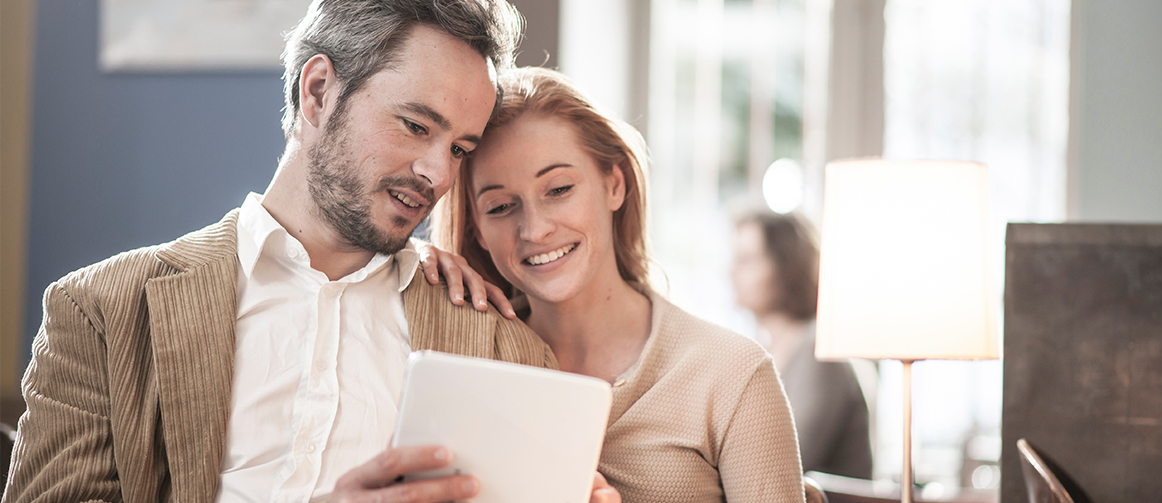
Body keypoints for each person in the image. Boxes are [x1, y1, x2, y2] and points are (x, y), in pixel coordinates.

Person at [5, 2, 618, 502]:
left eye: (460, 149)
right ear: (319, 91)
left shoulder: (501, 344)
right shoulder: (103, 310)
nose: (435, 173)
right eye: (414, 126)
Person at [427, 67, 805, 502]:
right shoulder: (462, 360)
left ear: (615, 184)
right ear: (475, 228)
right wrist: (406, 266)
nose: (534, 229)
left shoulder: (732, 376)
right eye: (500, 206)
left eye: (559, 189)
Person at [731, 211, 873, 479]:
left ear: (785, 267)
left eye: (747, 260)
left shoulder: (817, 351)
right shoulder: (767, 350)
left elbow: (789, 458)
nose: (732, 272)